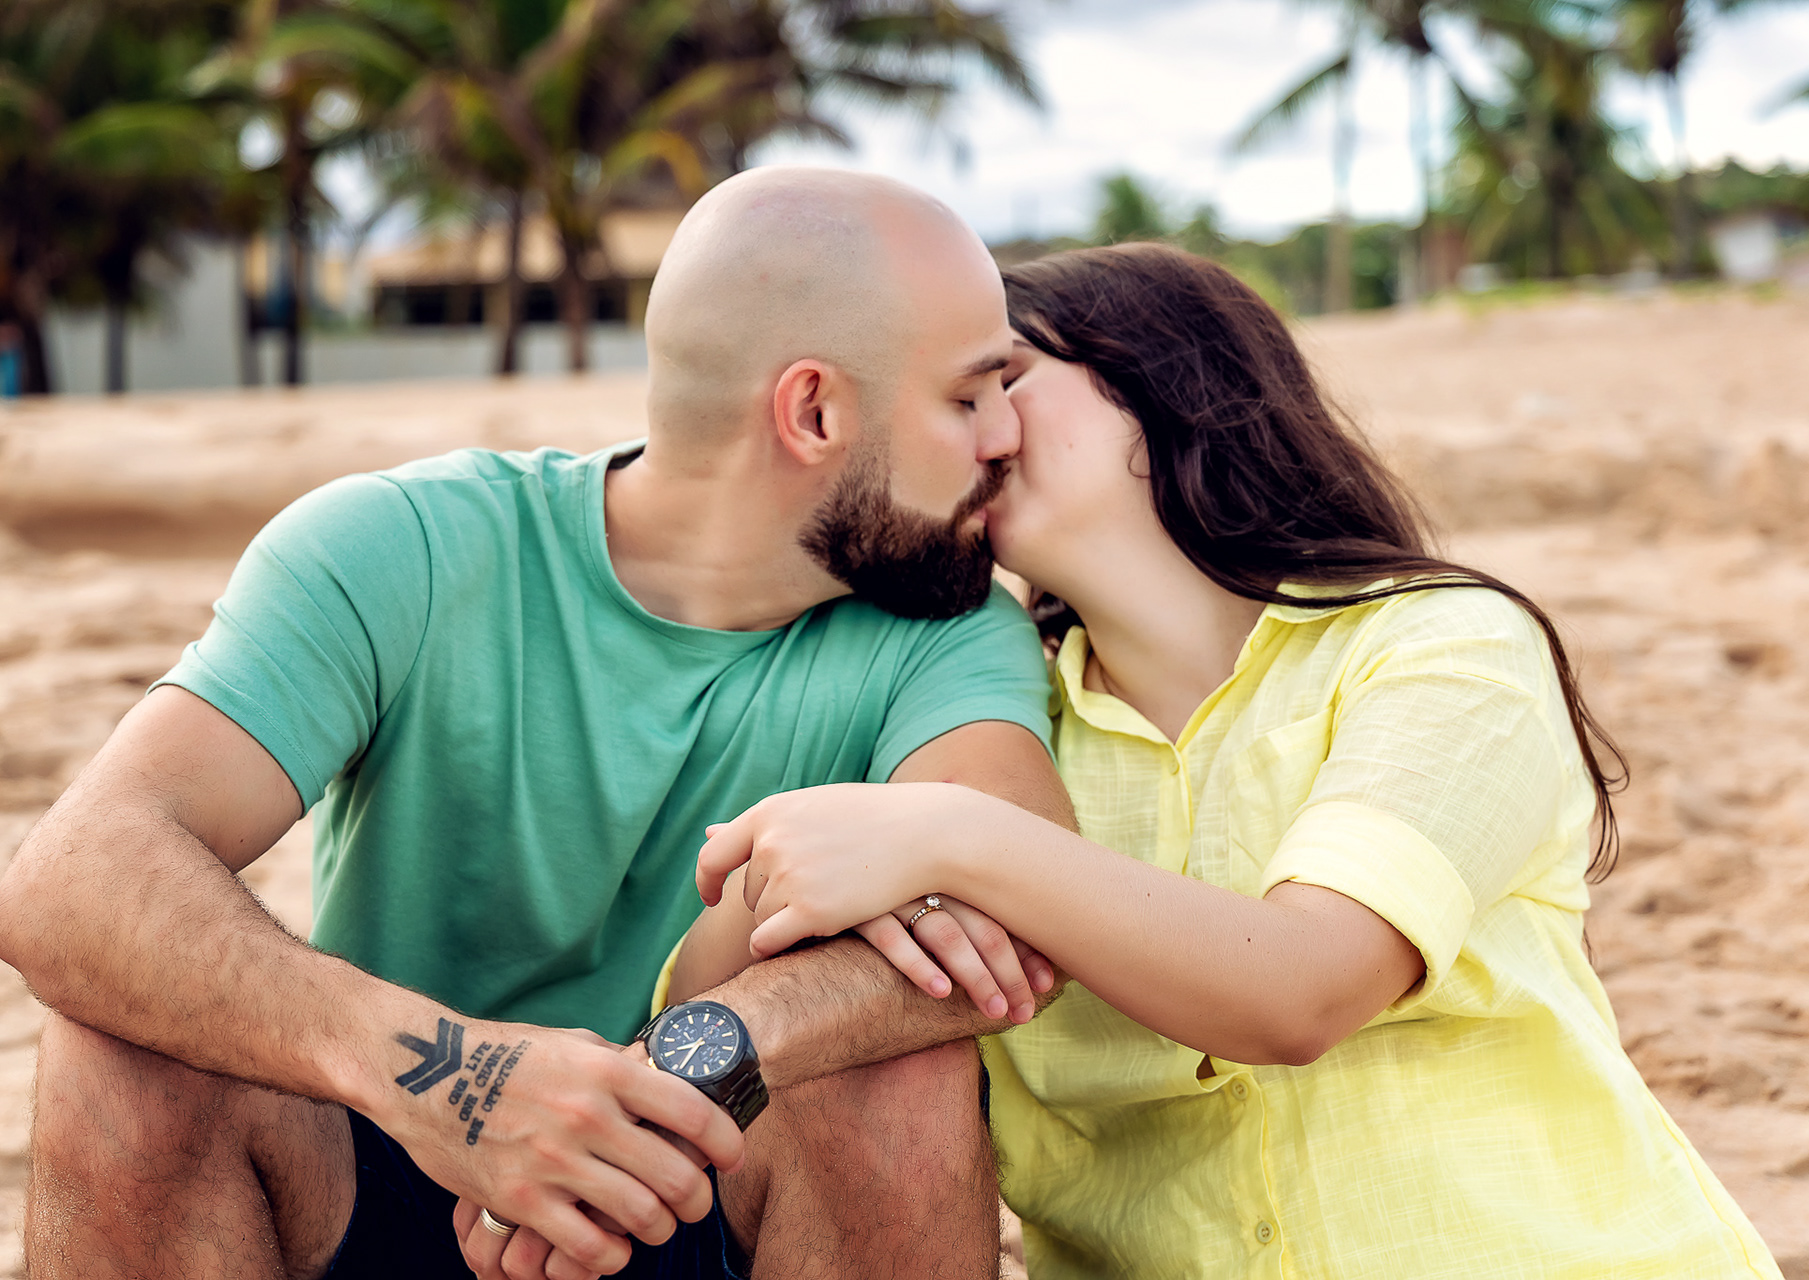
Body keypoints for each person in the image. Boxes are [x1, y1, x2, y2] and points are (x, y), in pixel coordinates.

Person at [0, 168, 1075, 1280]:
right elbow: (73, 877)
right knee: (122, 1048)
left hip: (706, 1181)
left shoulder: (946, 626)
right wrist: (458, 1084)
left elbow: (1024, 896)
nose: (1008, 434)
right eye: (970, 397)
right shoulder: (405, 547)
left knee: (897, 1077)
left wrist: (653, 1085)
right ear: (813, 413)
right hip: (391, 1176)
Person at [692, 243, 1785, 1278]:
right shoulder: (999, 731)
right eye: (959, 397)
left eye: (1004, 378)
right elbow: (710, 993)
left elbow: (1300, 990)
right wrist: (779, 887)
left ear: (1164, 385)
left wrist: (955, 835)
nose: (978, 428)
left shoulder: (1438, 644)